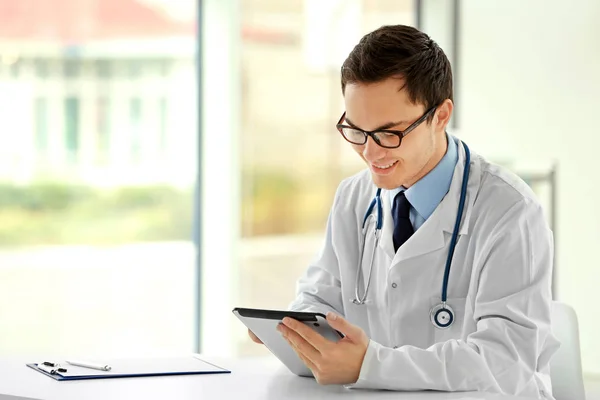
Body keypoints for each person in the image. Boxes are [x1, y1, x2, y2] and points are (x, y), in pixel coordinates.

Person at [248, 24, 559, 399]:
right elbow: (322, 297)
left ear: (440, 116)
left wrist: (372, 365)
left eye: (389, 133)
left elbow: (506, 362)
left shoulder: (510, 211)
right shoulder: (354, 197)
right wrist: (296, 329)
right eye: (357, 131)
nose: (370, 152)